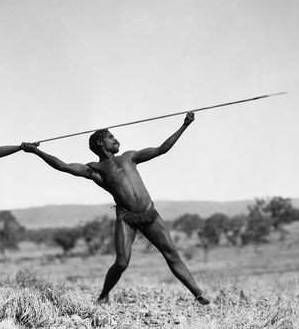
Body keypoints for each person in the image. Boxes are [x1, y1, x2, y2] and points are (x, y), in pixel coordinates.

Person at [21, 112, 210, 305]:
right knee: (121, 262)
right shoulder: (95, 169)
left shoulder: (130, 157)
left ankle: (198, 294)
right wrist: (37, 152)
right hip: (126, 218)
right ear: (100, 143)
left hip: (150, 213)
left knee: (172, 254)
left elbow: (163, 149)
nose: (116, 139)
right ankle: (103, 295)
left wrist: (184, 125)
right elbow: (62, 166)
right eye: (111, 137)